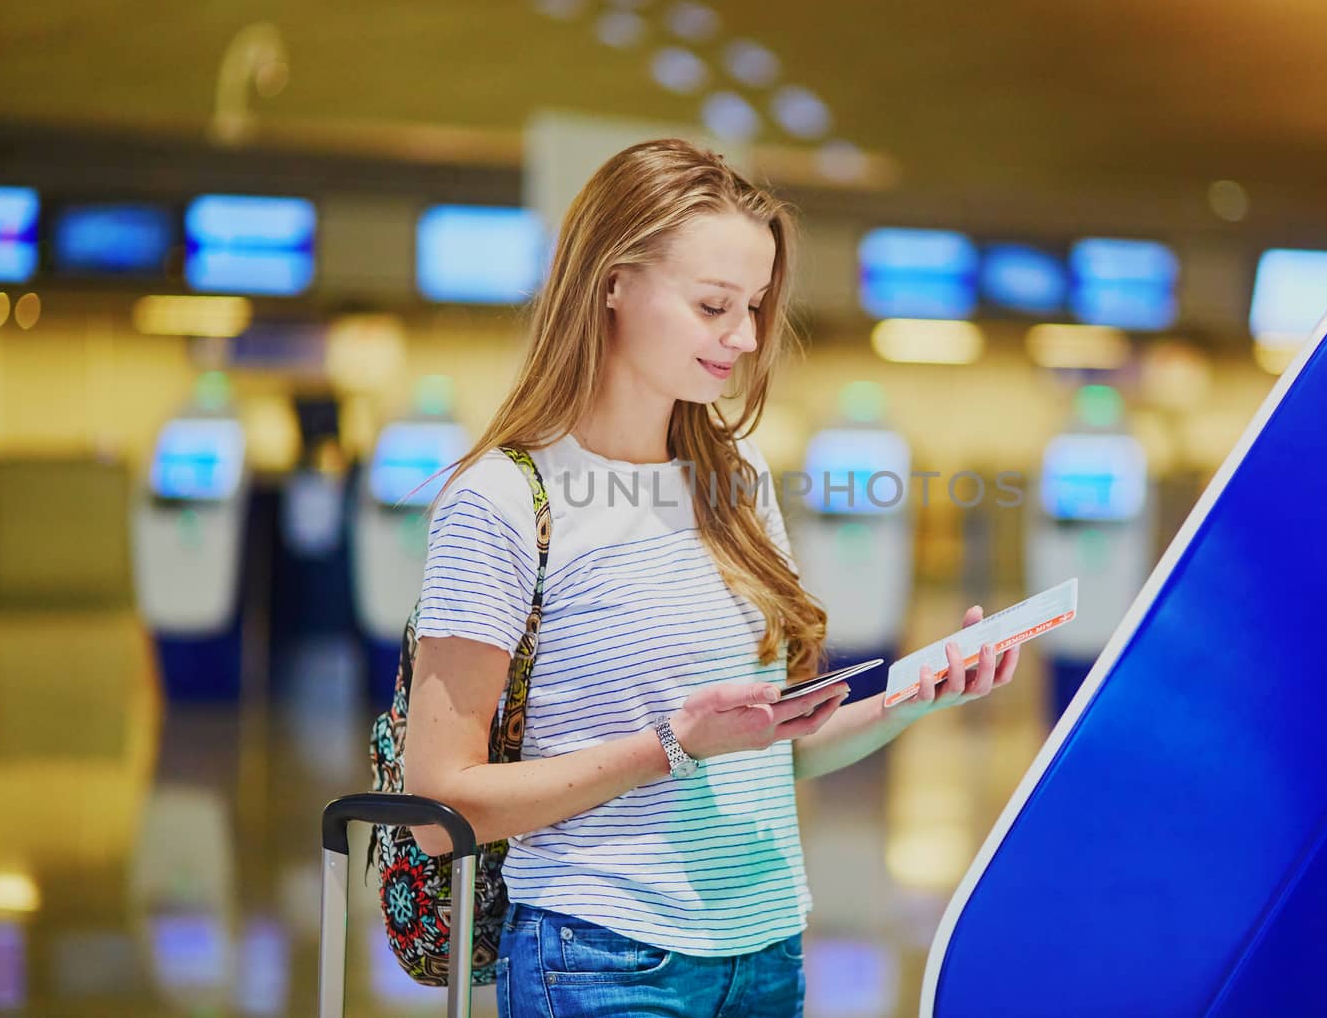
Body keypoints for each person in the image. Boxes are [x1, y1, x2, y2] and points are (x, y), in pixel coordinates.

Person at [402, 138, 1023, 1018]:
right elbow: (437, 807)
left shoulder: (736, 480)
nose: (745, 336)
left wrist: (918, 692)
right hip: (602, 957)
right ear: (612, 282)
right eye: (713, 305)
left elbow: (774, 749)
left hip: (765, 948)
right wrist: (671, 745)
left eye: (758, 305)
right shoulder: (502, 500)